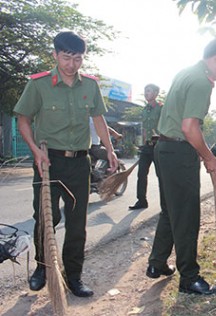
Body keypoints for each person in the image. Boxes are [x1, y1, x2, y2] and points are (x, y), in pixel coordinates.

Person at [14, 31, 118, 298]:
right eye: (67, 57)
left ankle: (74, 276)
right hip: (48, 162)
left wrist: (110, 149)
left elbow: (98, 120)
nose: (72, 65)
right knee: (45, 217)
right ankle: (42, 268)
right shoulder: (38, 85)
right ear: (55, 55)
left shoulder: (90, 85)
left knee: (76, 222)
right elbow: (23, 119)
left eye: (78, 58)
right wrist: (36, 151)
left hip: (78, 163)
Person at [146, 38, 216, 295]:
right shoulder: (201, 82)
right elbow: (189, 127)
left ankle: (157, 263)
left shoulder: (186, 72)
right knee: (186, 216)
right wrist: (208, 156)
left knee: (170, 210)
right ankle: (189, 278)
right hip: (178, 151)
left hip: (163, 149)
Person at [129, 84, 162, 210]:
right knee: (141, 174)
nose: (146, 93)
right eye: (145, 91)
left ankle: (165, 205)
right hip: (147, 146)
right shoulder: (144, 110)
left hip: (158, 145)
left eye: (149, 91)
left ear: (156, 93)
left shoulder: (161, 108)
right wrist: (142, 144)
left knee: (161, 175)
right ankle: (141, 200)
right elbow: (144, 129)